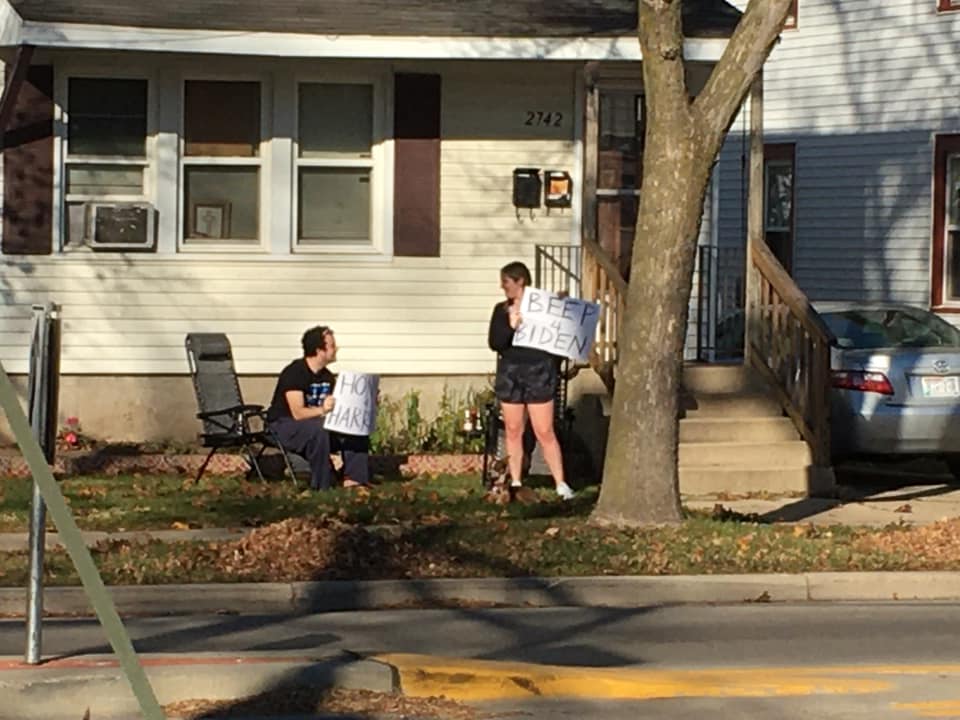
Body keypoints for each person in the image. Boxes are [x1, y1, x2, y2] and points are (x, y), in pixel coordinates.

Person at [487, 261, 575, 500]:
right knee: (514, 429)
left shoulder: (543, 308)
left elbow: (559, 336)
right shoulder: (501, 310)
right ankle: (515, 481)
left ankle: (561, 483)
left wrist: (561, 308)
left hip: (538, 371)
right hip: (512, 372)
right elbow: (495, 342)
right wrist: (511, 326)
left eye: (506, 282)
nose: (502, 287)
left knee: (544, 430)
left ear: (520, 281)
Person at [266, 326, 370, 490]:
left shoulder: (327, 377)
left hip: (313, 425)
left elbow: (337, 409)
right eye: (332, 345)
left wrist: (364, 402)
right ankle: (323, 485)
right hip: (283, 425)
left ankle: (355, 479)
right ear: (319, 350)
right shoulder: (295, 372)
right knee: (319, 430)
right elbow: (298, 413)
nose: (336, 349)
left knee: (355, 427)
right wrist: (323, 410)